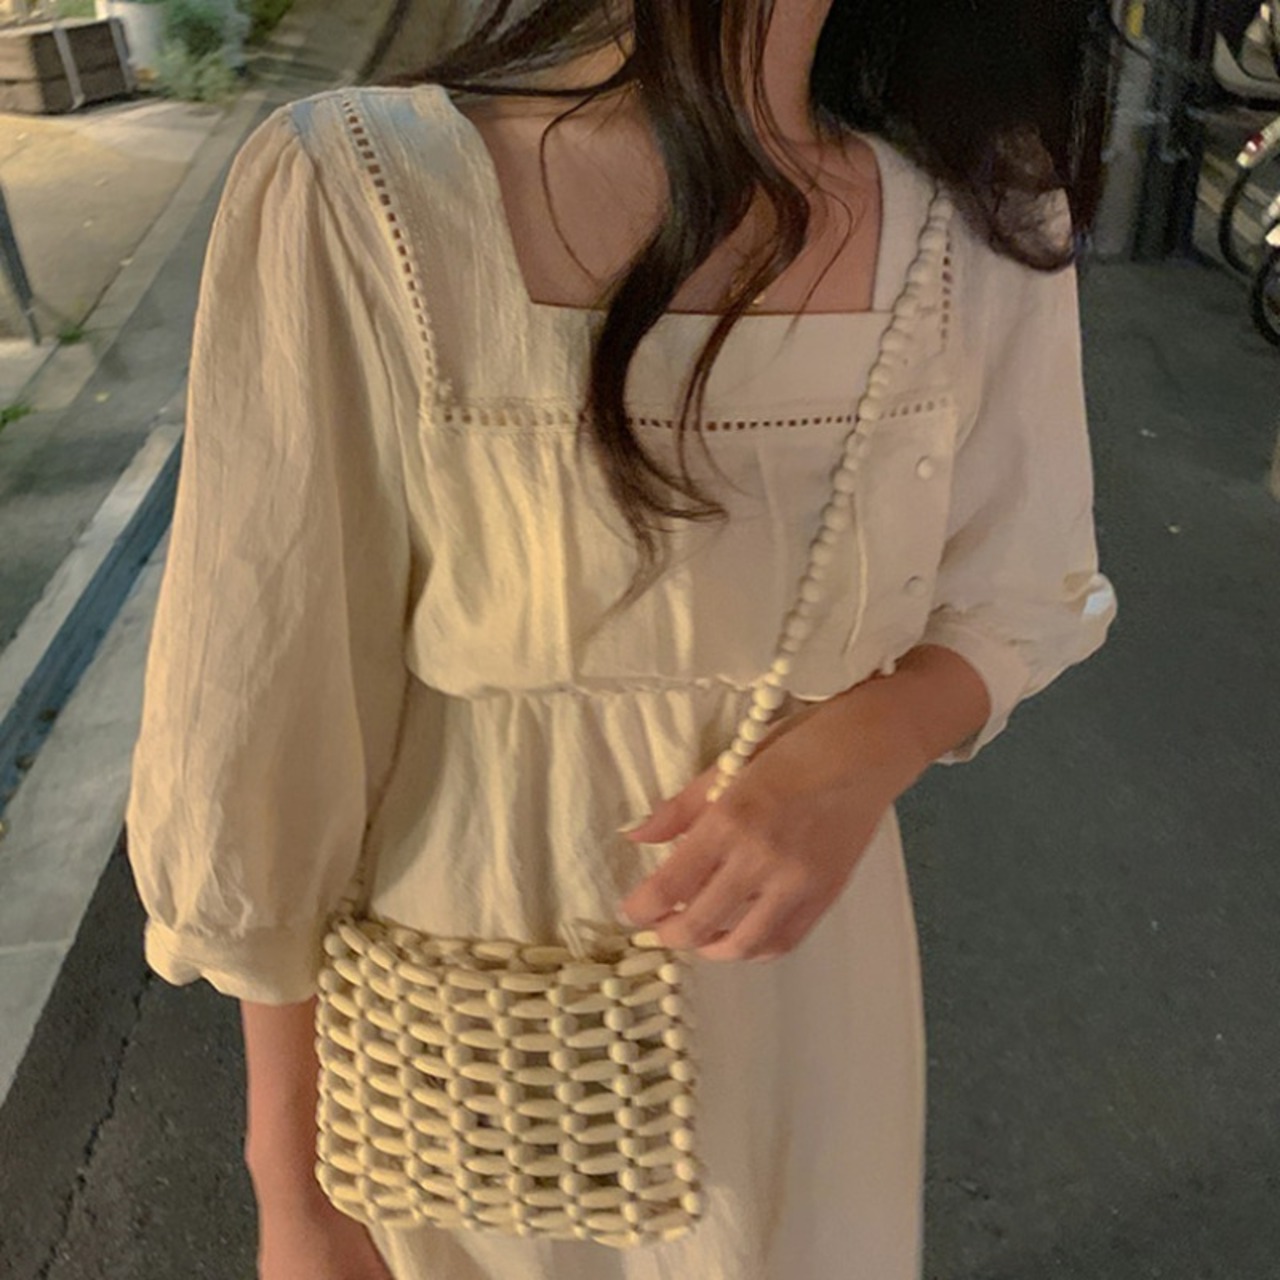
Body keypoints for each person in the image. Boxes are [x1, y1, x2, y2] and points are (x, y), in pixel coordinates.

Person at [123, 1, 1119, 1277]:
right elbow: (265, 702)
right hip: (479, 1026)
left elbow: (1023, 583)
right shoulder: (367, 188)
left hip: (812, 1013)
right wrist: (294, 1183)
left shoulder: (979, 217)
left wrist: (863, 746)